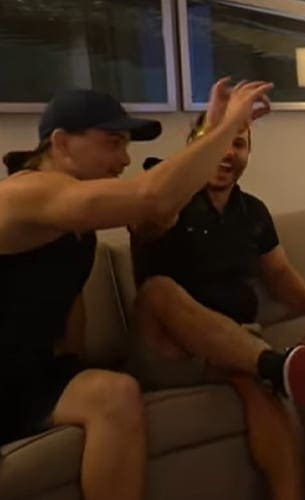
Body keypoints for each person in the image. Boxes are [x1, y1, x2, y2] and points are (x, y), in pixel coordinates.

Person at [0, 79, 277, 500]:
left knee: (117, 393)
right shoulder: (23, 193)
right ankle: (272, 364)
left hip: (33, 377)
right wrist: (229, 125)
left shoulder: (74, 219)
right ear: (61, 143)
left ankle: (271, 366)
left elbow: (69, 300)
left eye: (127, 146)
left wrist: (209, 131)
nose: (125, 159)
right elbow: (152, 197)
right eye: (113, 143)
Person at [129, 107, 305, 499]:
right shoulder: (163, 196)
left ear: (248, 154)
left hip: (232, 343)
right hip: (167, 346)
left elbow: (279, 273)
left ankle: (271, 375)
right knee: (158, 289)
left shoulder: (253, 212)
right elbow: (148, 223)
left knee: (266, 393)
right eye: (216, 142)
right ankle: (271, 364)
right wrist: (175, 187)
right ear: (195, 148)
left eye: (238, 144)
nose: (227, 153)